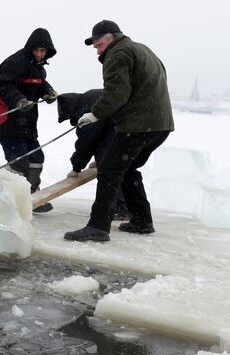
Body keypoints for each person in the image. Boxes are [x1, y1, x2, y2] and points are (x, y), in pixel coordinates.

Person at [64, 20, 174, 242]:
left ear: (112, 37)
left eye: (99, 43)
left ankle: (98, 227)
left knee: (109, 170)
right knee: (128, 168)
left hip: (138, 125)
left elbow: (117, 92)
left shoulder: (118, 53)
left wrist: (95, 114)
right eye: (94, 46)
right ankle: (142, 221)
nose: (97, 49)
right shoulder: (142, 49)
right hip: (160, 125)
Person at [0, 28, 58, 212]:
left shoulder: (39, 69)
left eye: (43, 51)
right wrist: (18, 99)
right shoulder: (15, 62)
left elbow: (39, 85)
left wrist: (49, 92)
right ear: (30, 48)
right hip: (8, 121)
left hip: (27, 123)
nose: (39, 54)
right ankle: (10, 201)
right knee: (19, 162)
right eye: (36, 50)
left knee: (36, 158)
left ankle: (31, 197)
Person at [57, 89, 129, 220]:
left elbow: (87, 141)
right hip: (125, 126)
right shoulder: (89, 97)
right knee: (118, 167)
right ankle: (126, 206)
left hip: (117, 127)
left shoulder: (85, 108)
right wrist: (99, 160)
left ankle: (120, 207)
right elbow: (100, 135)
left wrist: (76, 167)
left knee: (109, 171)